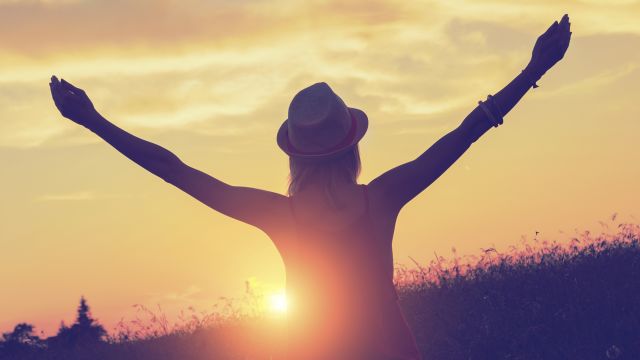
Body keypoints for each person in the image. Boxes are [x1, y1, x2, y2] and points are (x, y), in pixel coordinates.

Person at [49, 14, 571, 360]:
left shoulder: (280, 215)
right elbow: (467, 131)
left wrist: (94, 120)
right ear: (352, 147)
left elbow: (176, 170)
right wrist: (533, 68)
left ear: (295, 155)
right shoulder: (383, 197)